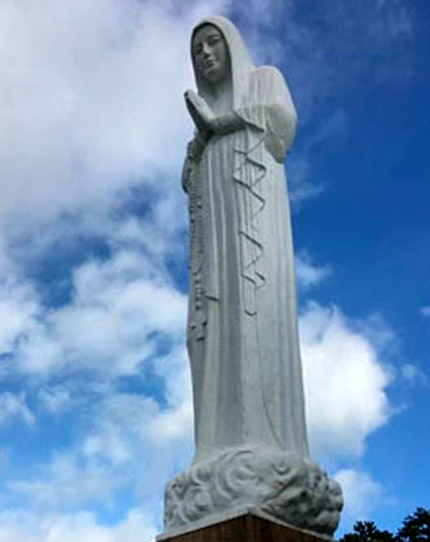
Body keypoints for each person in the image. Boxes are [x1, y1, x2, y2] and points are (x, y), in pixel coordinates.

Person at [183, 16, 309, 462]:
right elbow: (187, 181)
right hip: (213, 233)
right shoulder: (201, 123)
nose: (205, 53)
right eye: (197, 49)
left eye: (213, 42)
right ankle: (216, 446)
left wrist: (222, 125)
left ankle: (265, 440)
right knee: (212, 328)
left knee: (253, 314)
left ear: (232, 45)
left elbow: (281, 126)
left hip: (253, 222)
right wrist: (201, 140)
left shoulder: (262, 81)